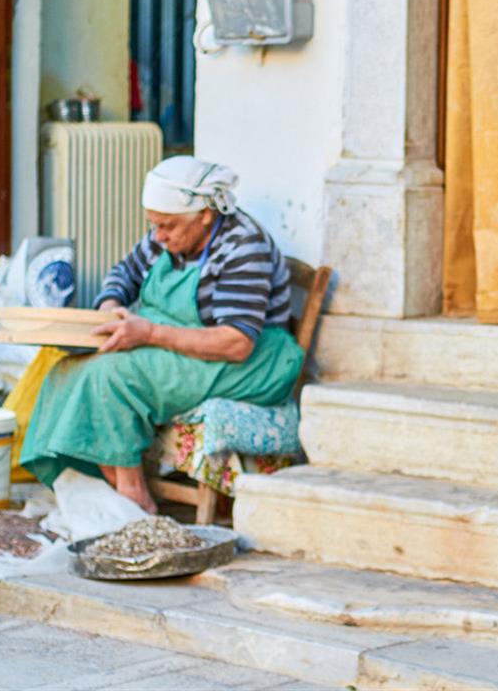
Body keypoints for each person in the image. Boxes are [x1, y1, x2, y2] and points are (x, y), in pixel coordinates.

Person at [19, 156, 304, 513]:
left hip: (249, 362)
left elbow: (236, 342)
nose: (158, 235)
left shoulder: (243, 246)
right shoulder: (166, 236)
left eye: (167, 226)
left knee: (112, 375)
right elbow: (124, 272)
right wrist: (110, 304)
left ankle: (133, 496)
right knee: (67, 368)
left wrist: (149, 332)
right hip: (185, 346)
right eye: (153, 225)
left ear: (205, 215)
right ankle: (105, 483)